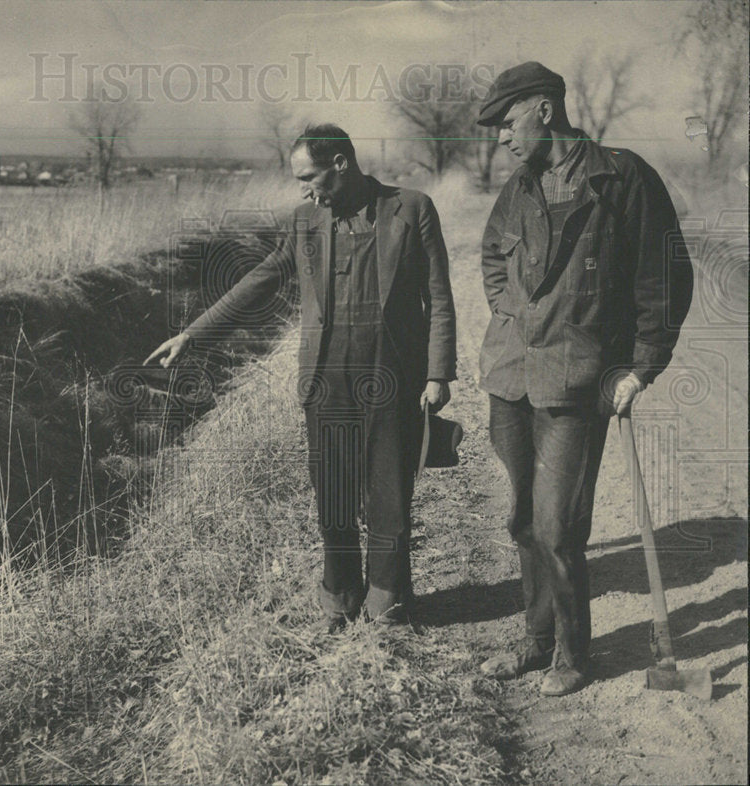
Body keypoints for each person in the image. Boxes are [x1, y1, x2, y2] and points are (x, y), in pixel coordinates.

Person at [146, 124, 457, 629]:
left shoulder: (412, 208)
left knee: (389, 490)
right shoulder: (304, 221)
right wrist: (194, 335)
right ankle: (340, 591)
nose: (304, 188)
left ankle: (388, 594)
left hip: (393, 372)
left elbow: (439, 296)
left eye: (309, 176)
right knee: (332, 491)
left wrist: (439, 373)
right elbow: (260, 280)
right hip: (326, 376)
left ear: (341, 164)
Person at [474, 63, 693, 695]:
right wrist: (513, 314)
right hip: (511, 374)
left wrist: (640, 365)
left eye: (507, 124)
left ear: (544, 109)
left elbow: (664, 279)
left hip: (578, 380)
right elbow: (494, 257)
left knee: (558, 525)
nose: (501, 140)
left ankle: (572, 654)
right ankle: (535, 641)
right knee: (521, 521)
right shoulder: (519, 186)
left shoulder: (622, 177)